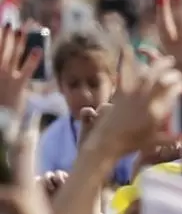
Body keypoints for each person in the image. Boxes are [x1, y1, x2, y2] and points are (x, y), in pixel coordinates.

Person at [34, 32, 136, 184]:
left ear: (114, 82)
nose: (85, 94)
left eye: (94, 83)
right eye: (74, 84)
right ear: (60, 86)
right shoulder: (51, 140)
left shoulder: (129, 132)